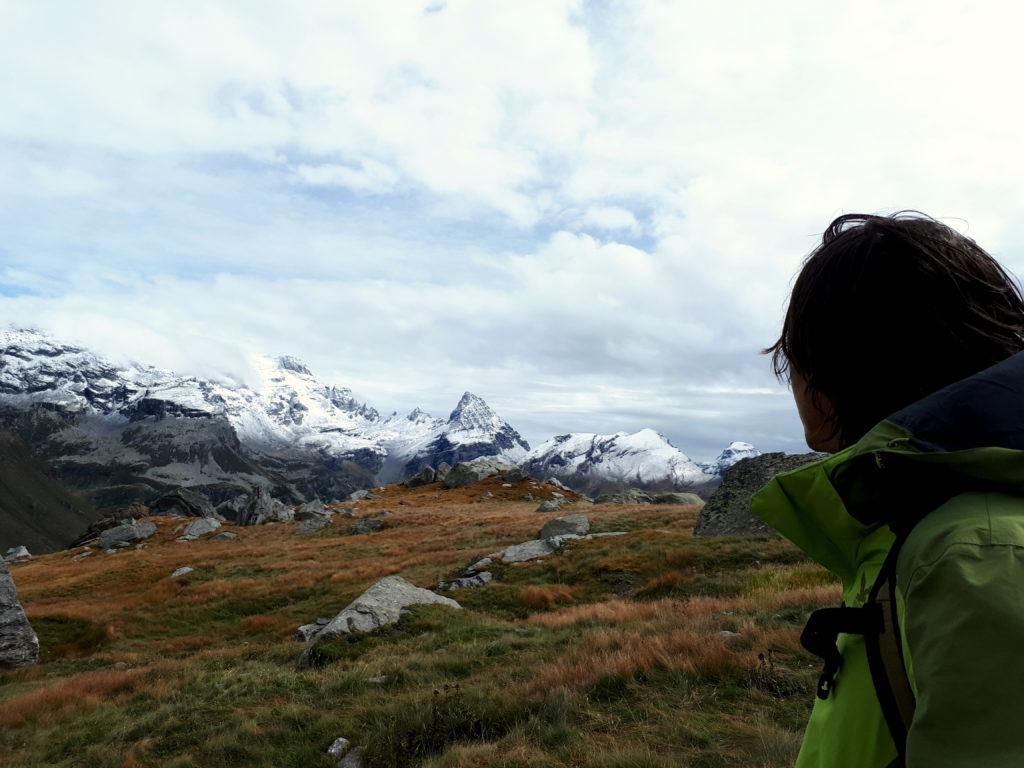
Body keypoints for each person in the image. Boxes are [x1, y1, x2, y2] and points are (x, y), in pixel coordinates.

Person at [751, 211, 1024, 768]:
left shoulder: (973, 552)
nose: (793, 382)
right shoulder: (921, 523)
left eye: (795, 357)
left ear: (844, 366)